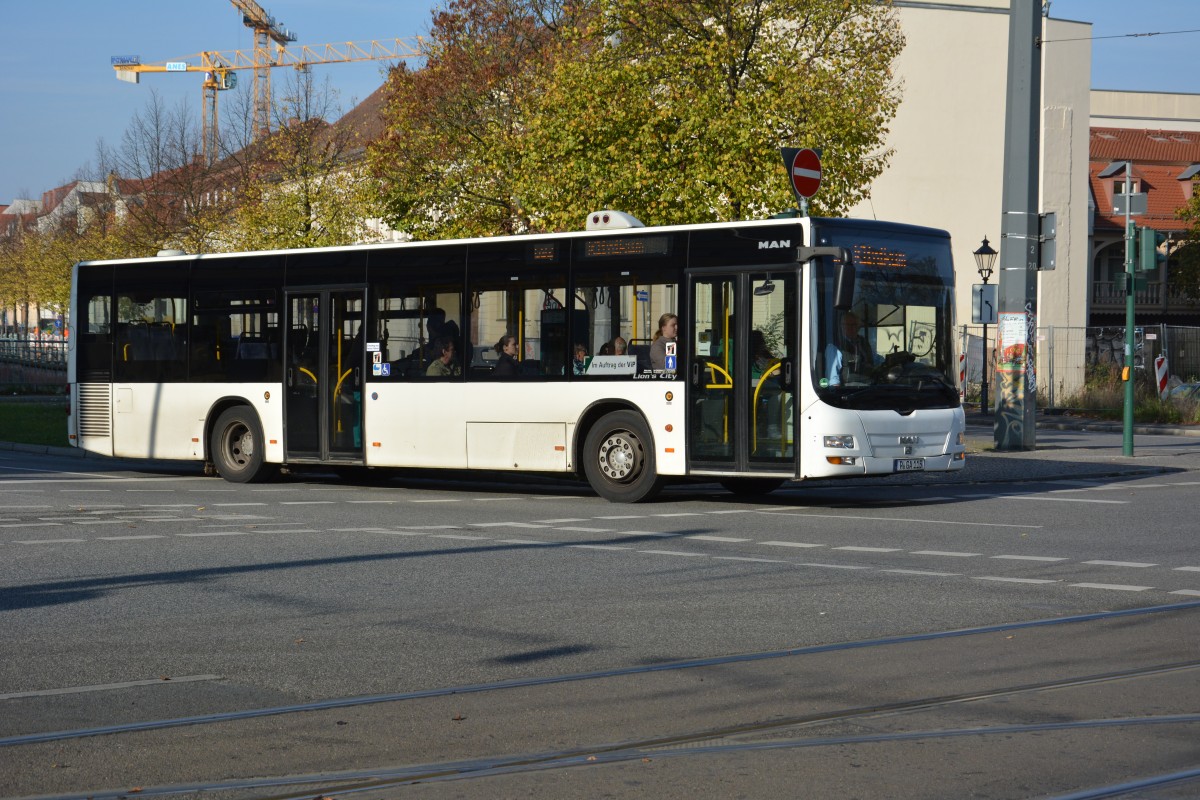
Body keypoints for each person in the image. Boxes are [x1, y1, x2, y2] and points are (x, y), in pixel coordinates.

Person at [825, 312, 877, 386]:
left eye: (855, 325)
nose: (853, 328)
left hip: (870, 385)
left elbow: (874, 361)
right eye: (849, 325)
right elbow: (833, 380)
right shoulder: (834, 347)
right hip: (850, 389)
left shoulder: (863, 342)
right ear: (842, 327)